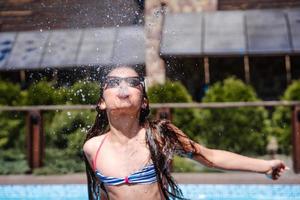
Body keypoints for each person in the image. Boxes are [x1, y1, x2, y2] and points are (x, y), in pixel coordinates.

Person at [82, 65, 288, 200]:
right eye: (113, 82)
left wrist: (265, 166)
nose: (123, 86)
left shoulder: (159, 135)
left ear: (144, 101)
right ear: (101, 102)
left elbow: (210, 157)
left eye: (133, 82)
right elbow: (104, 194)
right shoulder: (94, 149)